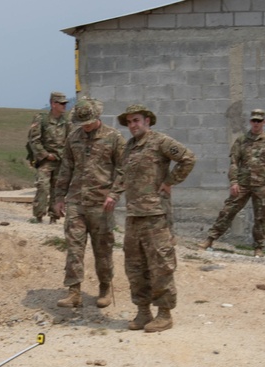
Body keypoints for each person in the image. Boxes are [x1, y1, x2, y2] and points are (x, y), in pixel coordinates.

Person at [105, 104, 196, 332]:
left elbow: (188, 158)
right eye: (129, 122)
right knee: (135, 267)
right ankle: (143, 311)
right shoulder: (129, 148)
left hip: (156, 215)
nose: (132, 125)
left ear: (147, 121)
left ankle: (164, 314)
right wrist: (114, 195)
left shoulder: (160, 142)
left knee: (161, 265)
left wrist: (169, 182)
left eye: (136, 120)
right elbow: (123, 174)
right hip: (134, 215)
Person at [52, 98, 126, 309]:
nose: (85, 126)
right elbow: (65, 168)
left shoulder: (114, 138)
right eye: (82, 123)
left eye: (89, 122)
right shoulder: (73, 138)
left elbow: (123, 169)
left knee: (102, 249)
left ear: (98, 118)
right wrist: (59, 198)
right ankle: (74, 291)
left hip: (101, 203)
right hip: (76, 201)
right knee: (74, 247)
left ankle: (104, 287)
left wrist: (114, 194)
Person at [199, 108, 265, 257]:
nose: (256, 123)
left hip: (262, 185)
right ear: (250, 122)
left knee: (260, 216)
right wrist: (234, 182)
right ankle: (210, 239)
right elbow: (234, 162)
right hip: (242, 184)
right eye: (253, 120)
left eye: (259, 121)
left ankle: (259, 248)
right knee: (227, 211)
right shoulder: (242, 140)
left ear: (264, 122)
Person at [27, 91, 71, 224]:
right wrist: (46, 155)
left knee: (57, 189)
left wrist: (64, 156)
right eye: (61, 103)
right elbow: (34, 140)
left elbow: (70, 141)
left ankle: (54, 216)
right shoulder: (42, 119)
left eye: (65, 103)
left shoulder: (66, 122)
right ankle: (39, 215)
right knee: (43, 186)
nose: (64, 106)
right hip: (46, 160)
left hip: (60, 160)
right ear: (53, 104)